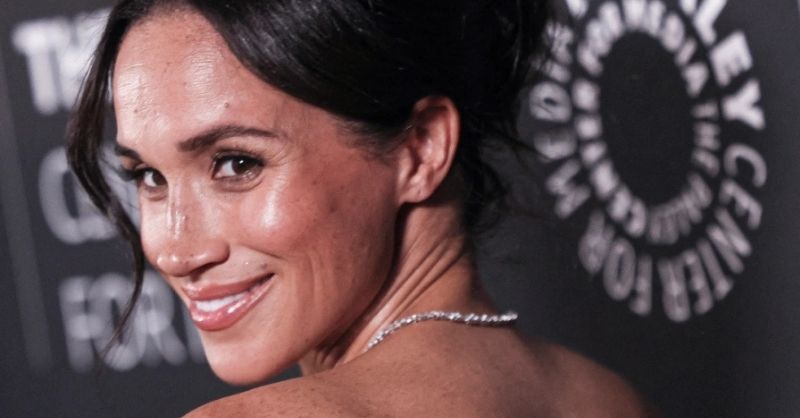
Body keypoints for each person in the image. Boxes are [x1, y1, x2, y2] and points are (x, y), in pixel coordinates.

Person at [68, 0, 658, 416]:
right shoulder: (609, 400)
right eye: (148, 176)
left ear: (421, 148)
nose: (173, 249)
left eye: (237, 164)